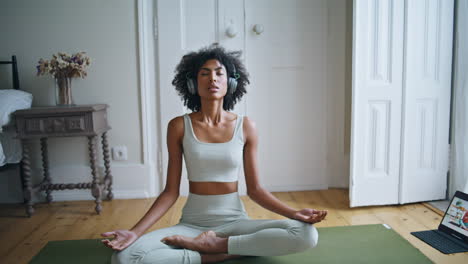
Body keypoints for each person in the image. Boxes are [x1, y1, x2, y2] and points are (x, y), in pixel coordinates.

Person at [101, 44, 327, 264]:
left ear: (230, 82)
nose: (213, 79)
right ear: (192, 82)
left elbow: (256, 190)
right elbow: (170, 192)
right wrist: (134, 232)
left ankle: (218, 246)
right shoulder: (179, 126)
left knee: (306, 234)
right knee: (125, 258)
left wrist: (295, 214)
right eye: (204, 73)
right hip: (191, 224)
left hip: (235, 222)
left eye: (220, 73)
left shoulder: (246, 126)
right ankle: (220, 253)